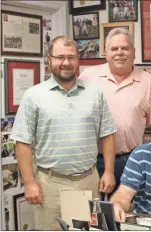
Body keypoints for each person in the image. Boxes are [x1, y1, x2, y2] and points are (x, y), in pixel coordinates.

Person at [10, 36, 117, 230]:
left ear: (78, 61)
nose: (66, 63)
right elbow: (22, 143)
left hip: (88, 181)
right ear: (49, 61)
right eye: (60, 57)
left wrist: (109, 172)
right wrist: (29, 183)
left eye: (71, 57)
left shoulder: (95, 94)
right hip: (49, 185)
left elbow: (108, 134)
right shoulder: (34, 96)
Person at [78, 28, 151, 199]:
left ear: (134, 52)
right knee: (93, 215)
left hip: (131, 160)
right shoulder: (88, 77)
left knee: (126, 212)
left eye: (125, 48)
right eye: (114, 49)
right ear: (106, 53)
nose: (119, 53)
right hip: (92, 161)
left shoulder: (147, 81)